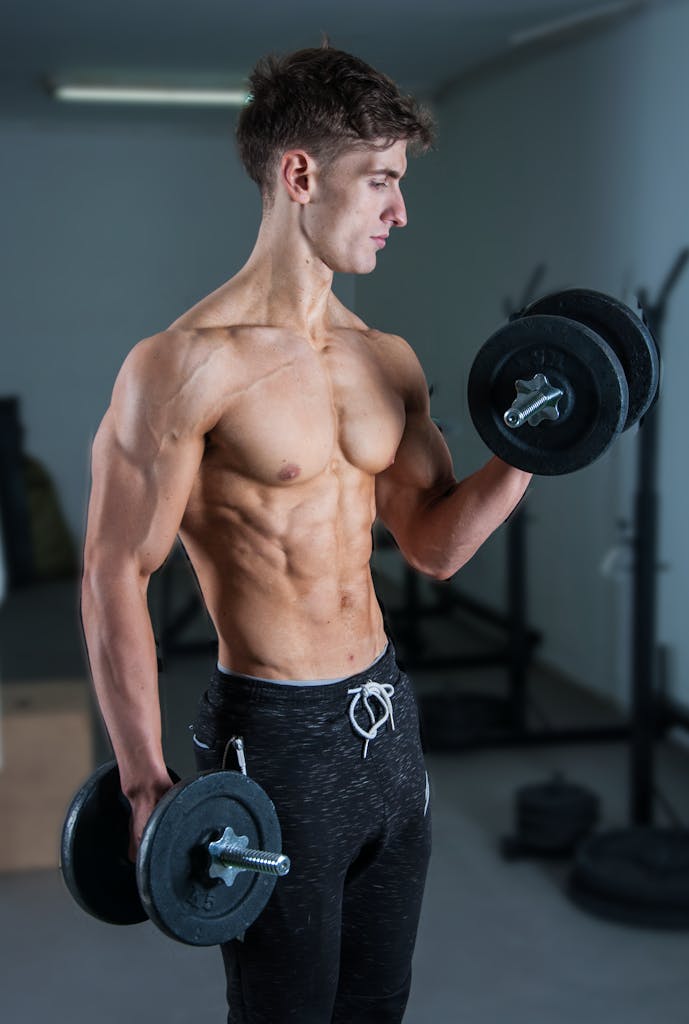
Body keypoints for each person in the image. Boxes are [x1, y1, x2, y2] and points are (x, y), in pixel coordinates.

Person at [81, 42, 531, 1024]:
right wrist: (145, 775)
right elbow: (115, 570)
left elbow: (433, 546)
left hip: (385, 720)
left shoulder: (388, 361)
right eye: (378, 181)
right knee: (284, 1011)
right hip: (271, 739)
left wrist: (536, 445)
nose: (398, 211)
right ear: (299, 176)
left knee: (377, 1003)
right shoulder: (180, 365)